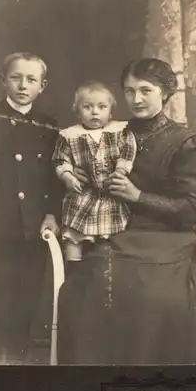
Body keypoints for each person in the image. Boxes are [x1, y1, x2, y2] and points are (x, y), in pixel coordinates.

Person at [57, 58, 196, 365]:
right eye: (129, 91)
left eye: (146, 90)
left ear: (165, 92)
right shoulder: (108, 132)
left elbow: (192, 209)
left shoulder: (185, 142)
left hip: (166, 238)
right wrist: (78, 177)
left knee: (153, 295)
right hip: (116, 232)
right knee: (90, 287)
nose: (137, 99)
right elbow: (73, 166)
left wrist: (137, 195)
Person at [0, 52, 62, 365]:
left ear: (42, 86)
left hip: (34, 230)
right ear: (3, 80)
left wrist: (51, 215)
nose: (23, 85)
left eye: (31, 79)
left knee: (26, 302)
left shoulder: (49, 127)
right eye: (16, 77)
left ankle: (16, 368)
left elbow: (56, 177)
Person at [52, 81, 137, 265]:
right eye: (87, 107)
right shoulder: (69, 135)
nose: (95, 112)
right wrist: (67, 175)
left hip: (110, 195)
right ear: (77, 112)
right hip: (83, 194)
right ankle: (73, 266)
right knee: (74, 233)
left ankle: (105, 271)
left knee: (109, 239)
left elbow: (128, 151)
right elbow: (60, 159)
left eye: (102, 107)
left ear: (111, 112)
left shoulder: (119, 132)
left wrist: (121, 170)